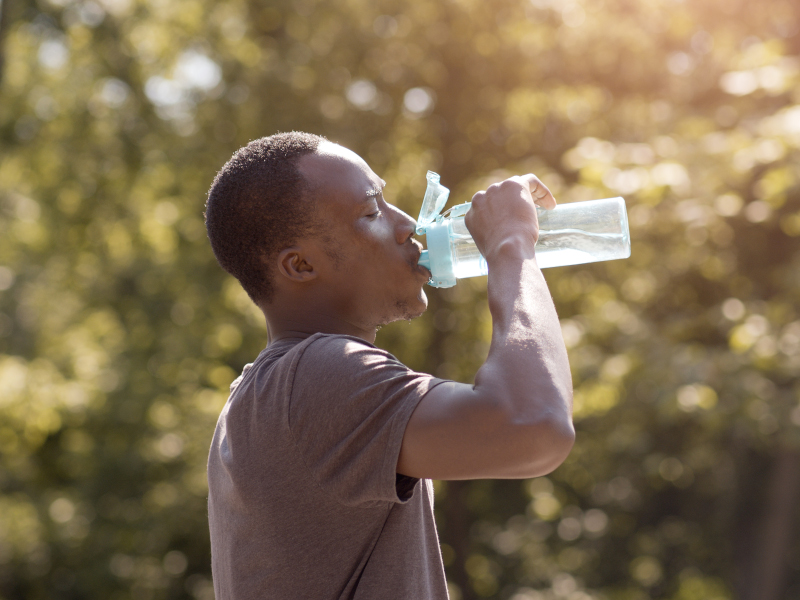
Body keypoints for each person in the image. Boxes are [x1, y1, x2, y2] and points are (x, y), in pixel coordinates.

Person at [203, 131, 574, 599]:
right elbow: (535, 427)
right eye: (370, 212)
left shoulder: (263, 394)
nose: (406, 226)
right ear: (299, 266)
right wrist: (512, 247)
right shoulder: (316, 376)